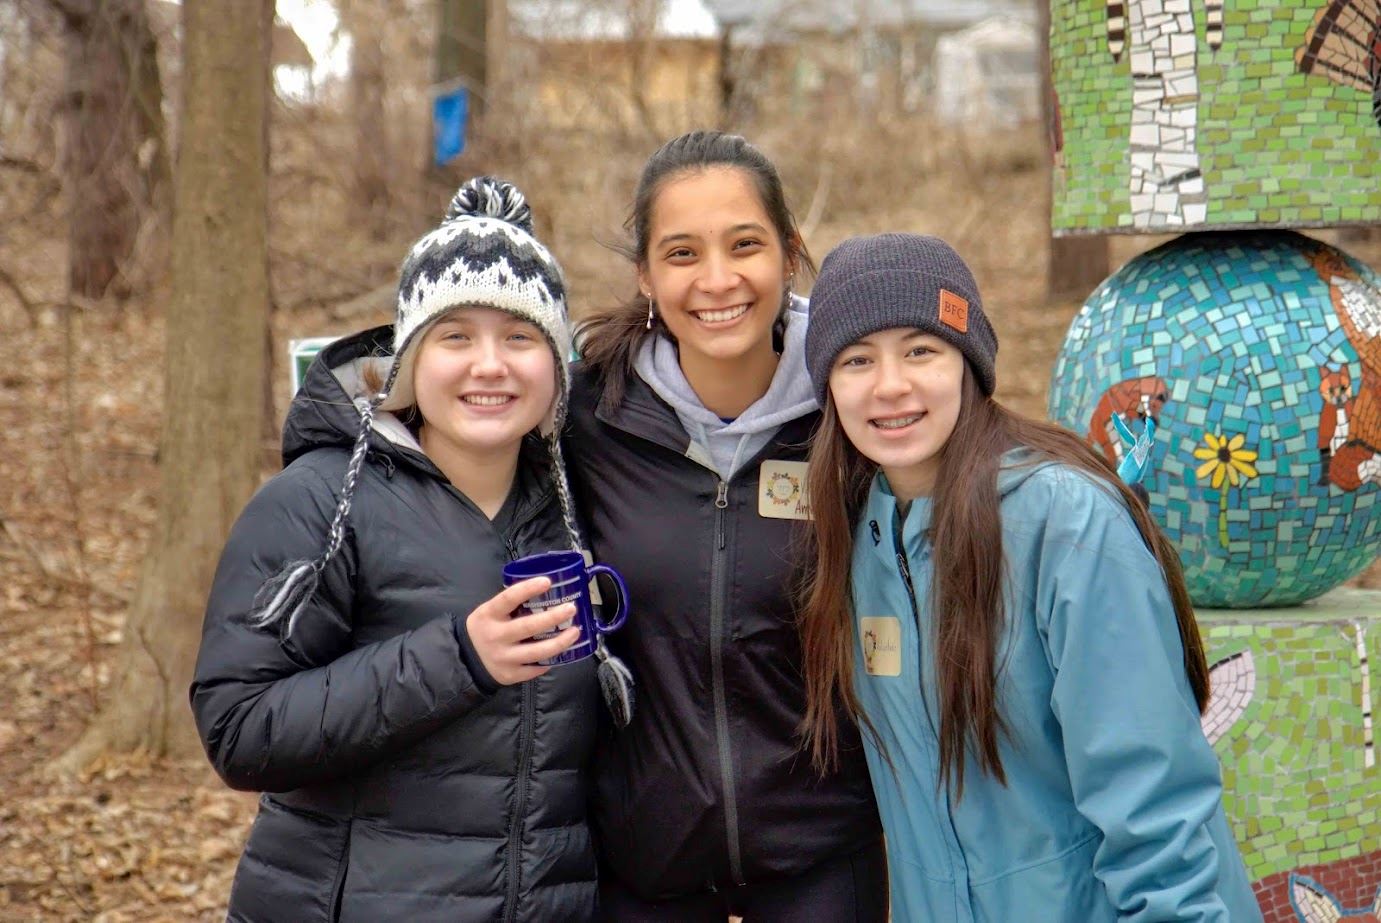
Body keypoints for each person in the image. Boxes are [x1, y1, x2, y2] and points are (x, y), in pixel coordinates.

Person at [798, 233, 1263, 922]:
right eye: (856, 359)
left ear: (969, 364)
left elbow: (1152, 797)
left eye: (920, 350)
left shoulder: (1064, 523)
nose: (889, 384)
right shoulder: (859, 536)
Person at [190, 177, 607, 922]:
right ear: (411, 359)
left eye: (519, 337)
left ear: (555, 366)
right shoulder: (319, 499)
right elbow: (240, 729)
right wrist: (458, 657)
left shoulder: (576, 503)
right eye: (455, 337)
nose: (489, 365)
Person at [568, 130, 885, 920]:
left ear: (788, 252)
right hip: (644, 858)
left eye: (744, 244)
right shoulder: (583, 417)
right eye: (681, 253)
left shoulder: (859, 409)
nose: (716, 279)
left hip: (824, 846)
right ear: (643, 273)